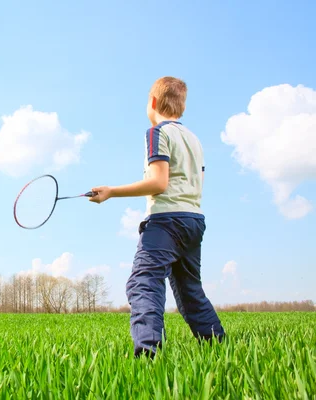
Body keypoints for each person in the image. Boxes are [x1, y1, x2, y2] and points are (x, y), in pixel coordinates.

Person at [89, 76, 225, 357]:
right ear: (182, 108)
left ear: (152, 102)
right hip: (194, 220)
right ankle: (217, 344)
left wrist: (111, 191)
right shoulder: (194, 139)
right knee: (189, 290)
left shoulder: (156, 133)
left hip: (166, 220)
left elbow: (159, 183)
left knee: (144, 281)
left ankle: (149, 353)